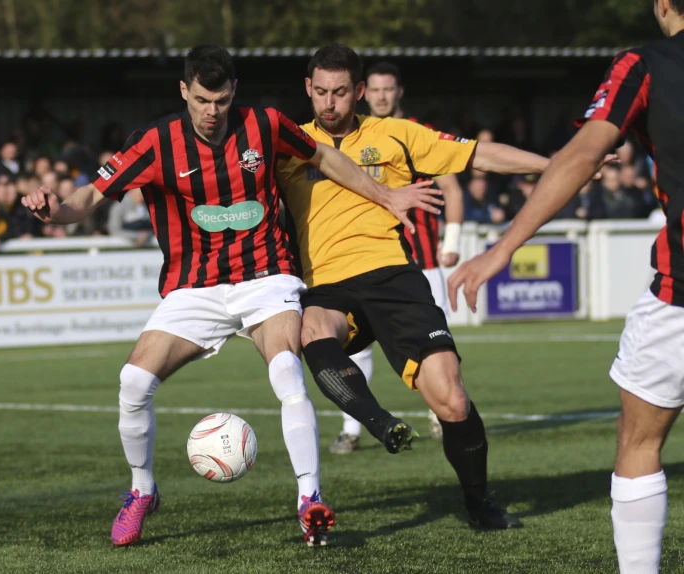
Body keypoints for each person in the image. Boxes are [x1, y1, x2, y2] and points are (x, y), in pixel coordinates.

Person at [22, 44, 439, 548]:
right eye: (201, 100)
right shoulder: (155, 142)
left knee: (287, 368)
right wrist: (54, 211)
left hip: (267, 278)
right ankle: (142, 492)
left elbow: (325, 155)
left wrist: (389, 195)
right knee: (132, 381)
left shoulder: (265, 124)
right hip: (194, 286)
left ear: (233, 92)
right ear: (184, 91)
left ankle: (310, 499)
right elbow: (92, 193)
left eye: (220, 101)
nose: (211, 112)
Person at [277, 43, 557, 529]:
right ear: (307, 88)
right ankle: (378, 422)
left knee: (451, 398)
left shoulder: (396, 135)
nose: (329, 103)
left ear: (359, 91)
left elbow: (479, 155)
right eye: (320, 91)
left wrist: (558, 167)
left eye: (341, 92)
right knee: (310, 332)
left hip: (393, 277)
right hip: (325, 282)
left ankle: (479, 505)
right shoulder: (287, 144)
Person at [448, 0, 683, 569]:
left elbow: (584, 152)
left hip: (682, 296)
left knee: (640, 442)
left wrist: (504, 246)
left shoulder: (646, 63)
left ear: (662, 5)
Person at [327, 61, 464, 454]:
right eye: (375, 89)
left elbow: (452, 188)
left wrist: (450, 239)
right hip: (366, 262)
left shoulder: (414, 135)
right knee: (356, 348)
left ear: (399, 91)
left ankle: (442, 411)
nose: (382, 96)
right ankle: (351, 430)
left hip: (422, 262)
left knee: (436, 349)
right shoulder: (355, 137)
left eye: (389, 89)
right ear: (363, 92)